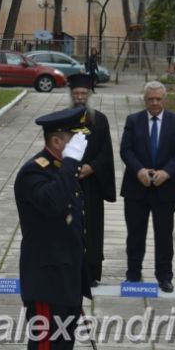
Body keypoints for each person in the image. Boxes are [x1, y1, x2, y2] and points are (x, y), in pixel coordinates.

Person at [14, 107, 92, 350]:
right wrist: (71, 163)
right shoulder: (35, 172)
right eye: (74, 138)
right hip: (46, 282)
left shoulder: (61, 170)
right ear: (58, 141)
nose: (80, 143)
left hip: (66, 280)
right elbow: (52, 204)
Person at [119, 81, 175, 292]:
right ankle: (133, 274)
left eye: (159, 99)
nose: (155, 103)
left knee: (164, 235)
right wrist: (139, 170)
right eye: (151, 99)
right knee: (135, 234)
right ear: (145, 100)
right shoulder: (133, 120)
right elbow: (126, 150)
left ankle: (164, 276)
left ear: (165, 99)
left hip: (165, 189)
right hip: (136, 187)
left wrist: (167, 172)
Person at [67, 73, 116, 287]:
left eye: (83, 93)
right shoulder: (62, 118)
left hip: (91, 183)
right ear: (71, 94)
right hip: (68, 181)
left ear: (89, 95)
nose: (79, 97)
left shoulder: (100, 119)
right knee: (68, 227)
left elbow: (106, 152)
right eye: (76, 93)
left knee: (92, 227)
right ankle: (69, 270)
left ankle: (91, 272)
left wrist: (91, 167)